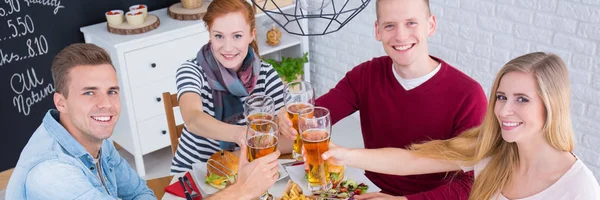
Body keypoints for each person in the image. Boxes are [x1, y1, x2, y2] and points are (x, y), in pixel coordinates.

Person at [277, 0, 487, 199]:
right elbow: (312, 123)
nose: (401, 36)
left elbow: (472, 184)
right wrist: (285, 123)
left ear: (430, 25)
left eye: (411, 23)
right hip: (368, 189)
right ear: (378, 31)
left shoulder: (469, 95)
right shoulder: (365, 75)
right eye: (390, 26)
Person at [323, 52, 600, 200]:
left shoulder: (579, 188)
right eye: (501, 97)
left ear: (551, 106)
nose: (504, 110)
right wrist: (344, 155)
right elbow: (413, 160)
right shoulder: (492, 147)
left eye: (522, 99)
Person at [5, 43, 156, 199]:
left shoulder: (96, 138)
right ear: (61, 103)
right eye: (89, 92)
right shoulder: (51, 172)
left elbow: (139, 193)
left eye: (111, 91)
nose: (106, 103)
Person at [170, 0, 292, 174]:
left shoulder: (265, 74)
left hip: (243, 169)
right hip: (194, 173)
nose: (228, 47)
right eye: (219, 36)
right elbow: (193, 119)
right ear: (210, 35)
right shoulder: (191, 70)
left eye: (237, 36)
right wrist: (240, 134)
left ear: (251, 35)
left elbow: (289, 139)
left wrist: (234, 157)